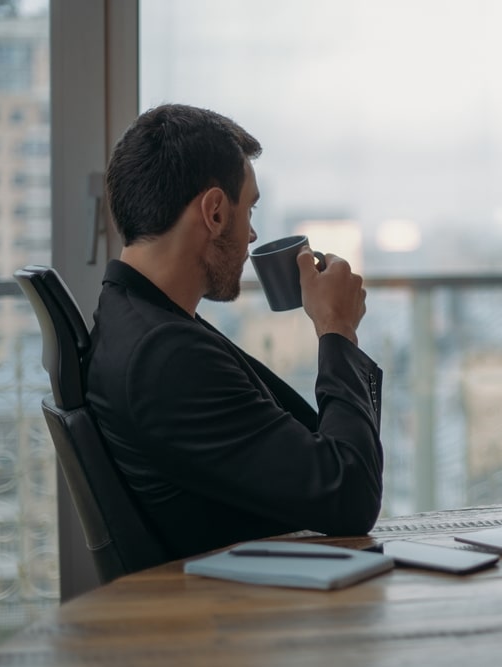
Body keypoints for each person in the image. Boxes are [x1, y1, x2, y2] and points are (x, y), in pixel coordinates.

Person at [85, 104, 383, 560]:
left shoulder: (134, 317)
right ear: (216, 212)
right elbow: (350, 494)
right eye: (250, 209)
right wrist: (336, 329)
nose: (252, 234)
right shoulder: (165, 356)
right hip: (253, 606)